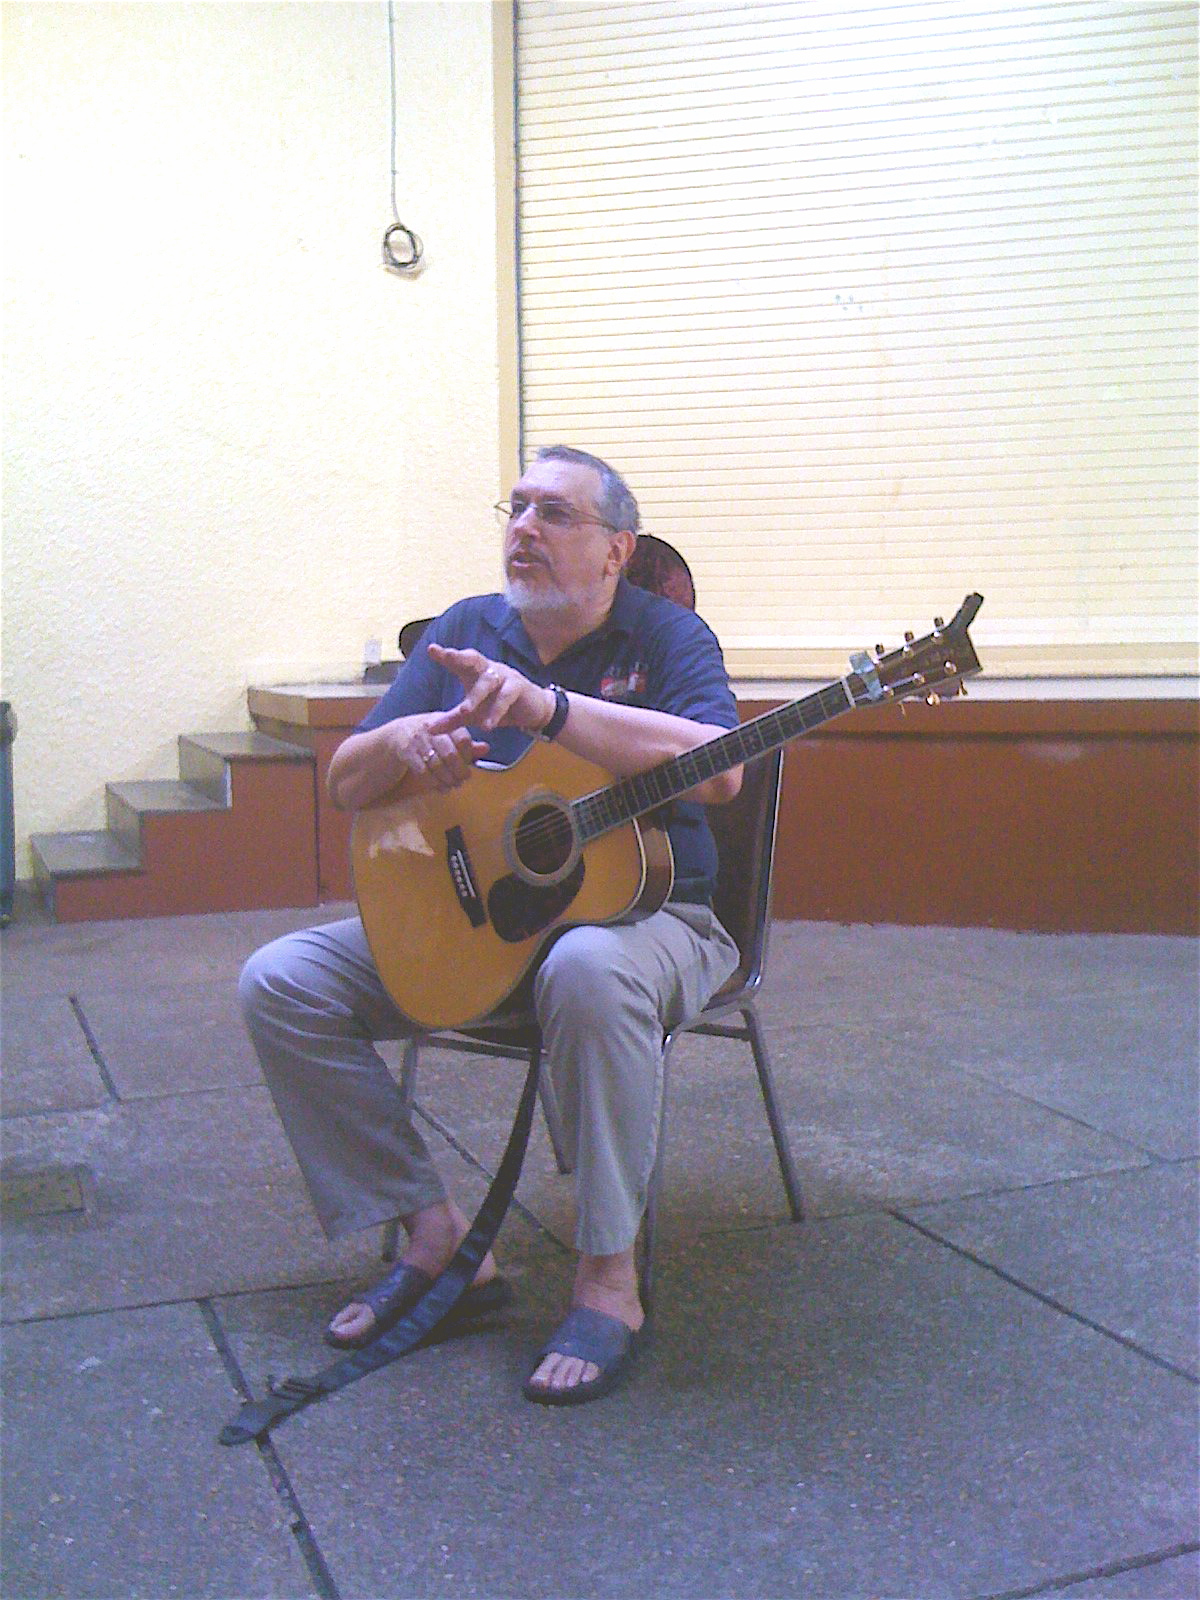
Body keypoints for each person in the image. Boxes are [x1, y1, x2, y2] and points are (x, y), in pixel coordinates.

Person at [239, 445, 743, 1406]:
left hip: (655, 920)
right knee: (281, 979)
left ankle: (609, 1281)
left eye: (554, 514)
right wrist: (401, 742)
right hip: (482, 925)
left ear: (613, 551)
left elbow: (720, 769)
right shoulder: (469, 629)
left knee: (589, 969)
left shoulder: (670, 638)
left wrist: (552, 710)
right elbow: (346, 782)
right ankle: (440, 1245)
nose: (523, 529)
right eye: (514, 509)